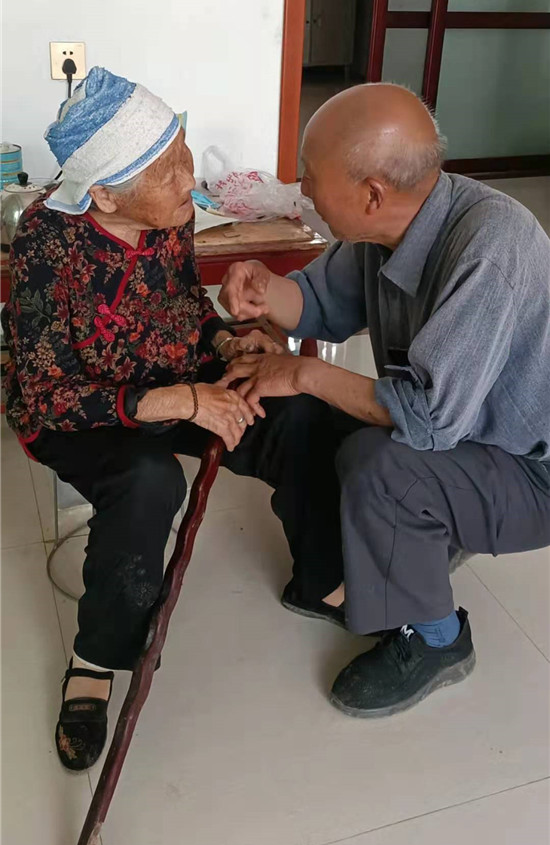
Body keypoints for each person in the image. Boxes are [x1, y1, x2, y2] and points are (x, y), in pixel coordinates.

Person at [2, 67, 346, 770]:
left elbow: (183, 307)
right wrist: (185, 401)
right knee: (148, 479)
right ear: (104, 193)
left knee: (296, 415)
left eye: (185, 156)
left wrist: (224, 345)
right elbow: (42, 394)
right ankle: (95, 657)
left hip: (171, 375)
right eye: (168, 172)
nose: (189, 182)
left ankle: (320, 577)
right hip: (82, 413)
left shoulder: (172, 216)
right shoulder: (46, 240)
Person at [221, 82, 550, 719]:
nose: (302, 189)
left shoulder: (490, 248)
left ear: (372, 193)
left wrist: (305, 374)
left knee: (380, 467)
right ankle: (363, 569)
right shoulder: (387, 229)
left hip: (531, 466)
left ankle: (438, 640)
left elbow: (427, 419)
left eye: (310, 175)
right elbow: (317, 302)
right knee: (311, 417)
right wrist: (265, 290)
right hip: (463, 428)